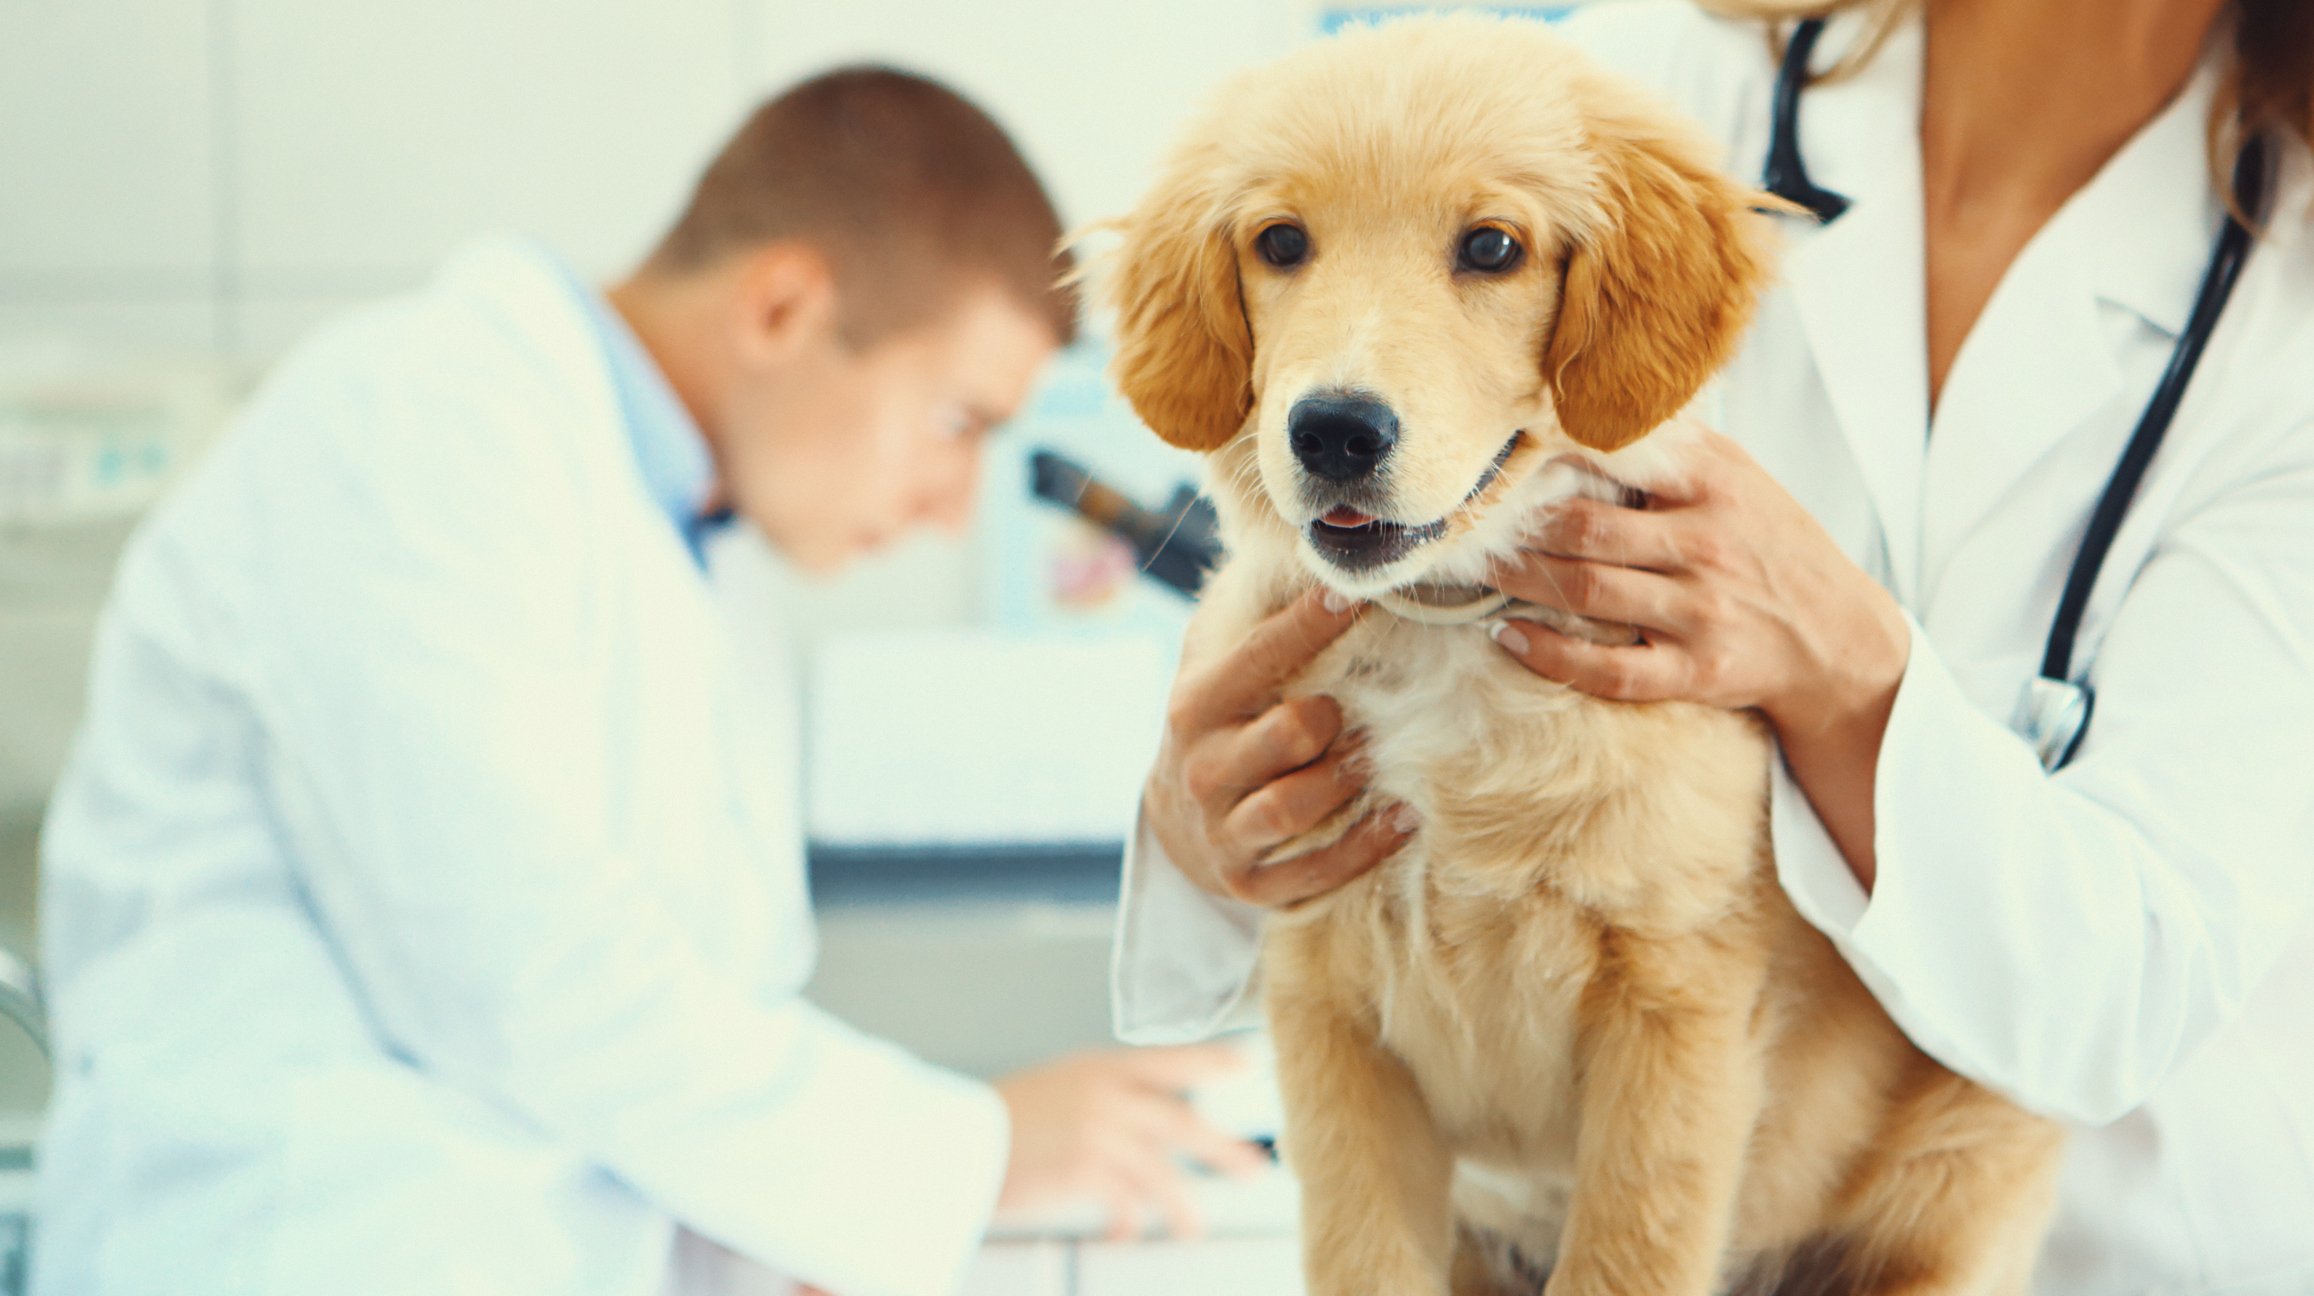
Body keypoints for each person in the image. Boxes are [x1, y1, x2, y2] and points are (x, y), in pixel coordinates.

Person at [1114, 1, 2314, 1291]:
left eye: (1487, 251)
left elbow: (2126, 980)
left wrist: (1846, 670)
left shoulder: (2285, 308)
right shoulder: (1636, 78)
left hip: (2090, 1236)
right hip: (1515, 1222)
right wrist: (1204, 827)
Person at [36, 67, 1259, 1296]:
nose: (952, 509)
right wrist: (977, 1153)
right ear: (781, 307)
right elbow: (515, 971)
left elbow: (671, 1054)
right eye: (957, 423)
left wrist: (794, 1238)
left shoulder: (693, 554)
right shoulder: (415, 424)